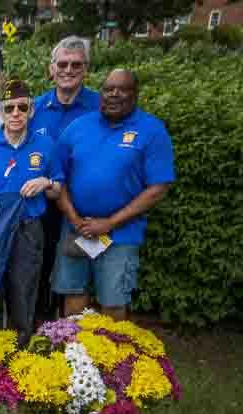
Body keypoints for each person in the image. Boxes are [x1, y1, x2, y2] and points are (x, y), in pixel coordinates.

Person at [52, 69, 175, 321]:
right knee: (73, 293)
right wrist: (74, 218)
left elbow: (158, 188)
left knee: (113, 301)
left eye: (123, 89)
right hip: (77, 228)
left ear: (135, 94)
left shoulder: (152, 130)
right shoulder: (79, 127)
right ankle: (73, 356)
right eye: (108, 89)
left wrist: (109, 223)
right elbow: (57, 177)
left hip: (120, 233)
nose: (114, 95)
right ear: (101, 93)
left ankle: (111, 358)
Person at [0, 80, 63, 346]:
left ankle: (20, 346)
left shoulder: (47, 145)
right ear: (1, 112)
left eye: (22, 107)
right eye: (10, 107)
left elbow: (59, 189)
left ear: (31, 111)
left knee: (23, 286)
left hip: (29, 226)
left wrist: (46, 182)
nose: (16, 113)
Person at [32, 36, 100, 320]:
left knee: (76, 271)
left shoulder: (101, 107)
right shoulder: (33, 109)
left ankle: (70, 332)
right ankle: (42, 326)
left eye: (76, 64)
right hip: (43, 205)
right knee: (42, 266)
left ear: (86, 69)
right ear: (51, 69)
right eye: (62, 63)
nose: (68, 70)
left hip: (81, 205)